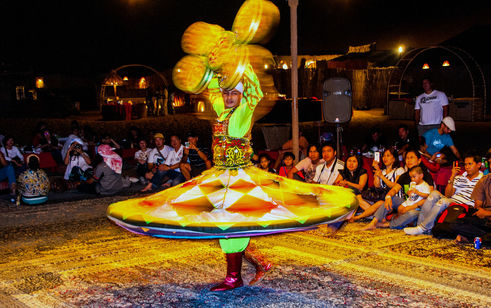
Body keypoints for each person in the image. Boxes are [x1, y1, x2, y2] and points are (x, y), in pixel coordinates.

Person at [107, 64, 357, 293]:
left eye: (233, 94)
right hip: (220, 176)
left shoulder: (241, 113)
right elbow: (213, 89)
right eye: (227, 93)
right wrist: (217, 65)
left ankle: (234, 277)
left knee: (232, 225)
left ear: (240, 96)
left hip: (240, 177)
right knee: (228, 223)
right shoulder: (222, 111)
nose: (228, 97)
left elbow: (254, 93)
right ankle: (259, 263)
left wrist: (241, 63)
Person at [404, 153, 483, 235]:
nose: (467, 167)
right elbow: (448, 194)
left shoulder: (483, 180)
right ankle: (420, 225)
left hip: (464, 205)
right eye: (465, 164)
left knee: (444, 201)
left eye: (470, 164)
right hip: (452, 200)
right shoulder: (460, 177)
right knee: (434, 193)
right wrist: (452, 176)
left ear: (478, 165)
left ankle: (422, 228)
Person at [437, 146, 491, 247]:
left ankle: (474, 238)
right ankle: (483, 238)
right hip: (487, 220)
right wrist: (487, 215)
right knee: (455, 224)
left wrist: (489, 213)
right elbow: (477, 206)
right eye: (490, 163)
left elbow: (485, 212)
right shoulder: (484, 180)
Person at [363, 149, 434, 230]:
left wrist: (413, 206)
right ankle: (374, 222)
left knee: (412, 213)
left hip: (419, 207)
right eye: (407, 158)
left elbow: (430, 197)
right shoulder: (405, 175)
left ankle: (387, 224)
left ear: (419, 160)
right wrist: (388, 197)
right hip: (407, 202)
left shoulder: (425, 175)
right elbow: (395, 189)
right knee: (391, 198)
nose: (408, 160)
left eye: (411, 158)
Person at [352, 148, 405, 221]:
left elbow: (395, 186)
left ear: (394, 158)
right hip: (381, 197)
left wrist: (382, 176)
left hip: (393, 199)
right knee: (358, 198)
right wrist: (377, 169)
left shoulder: (399, 170)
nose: (385, 158)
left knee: (380, 203)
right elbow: (377, 186)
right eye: (383, 156)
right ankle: (376, 215)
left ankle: (359, 217)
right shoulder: (382, 171)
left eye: (388, 156)